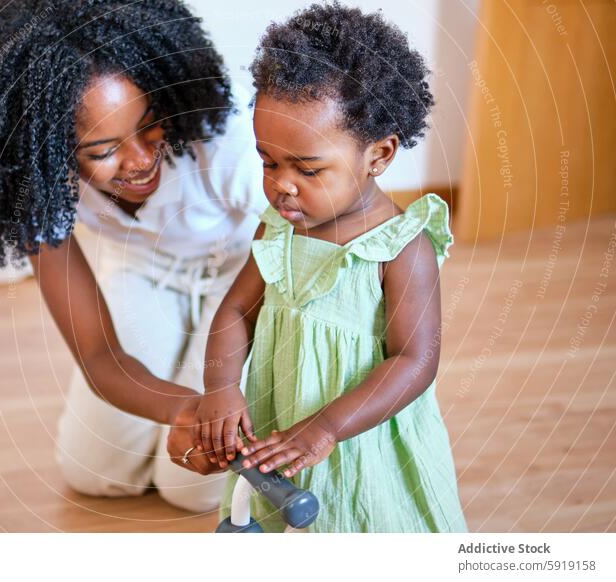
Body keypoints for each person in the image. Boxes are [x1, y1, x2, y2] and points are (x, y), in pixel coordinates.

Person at [0, 0, 267, 513]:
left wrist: (220, 380)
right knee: (95, 472)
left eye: (149, 126)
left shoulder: (224, 132)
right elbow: (97, 355)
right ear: (46, 151)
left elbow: (294, 247)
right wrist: (186, 409)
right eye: (102, 151)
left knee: (191, 492)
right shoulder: (36, 182)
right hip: (144, 273)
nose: (140, 161)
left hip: (246, 278)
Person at [194, 3, 468, 532]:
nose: (282, 184)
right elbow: (235, 310)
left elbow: (414, 360)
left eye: (308, 168)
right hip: (281, 424)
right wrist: (221, 386)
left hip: (359, 436)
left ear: (379, 155)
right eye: (268, 161)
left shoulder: (401, 248)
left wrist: (327, 428)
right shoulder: (277, 226)